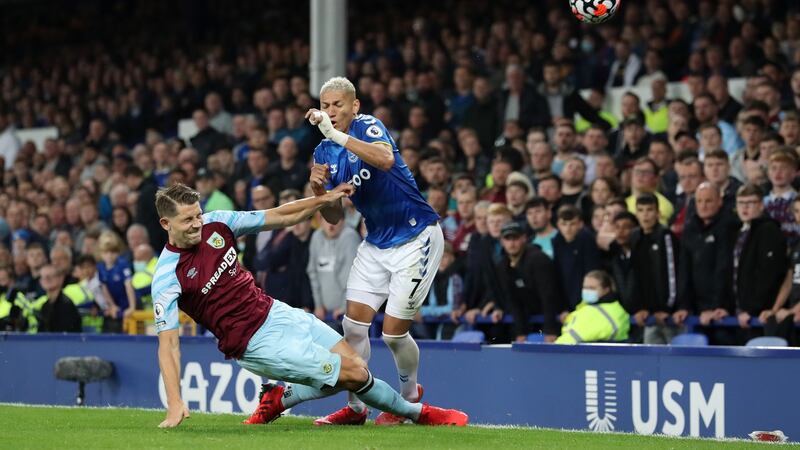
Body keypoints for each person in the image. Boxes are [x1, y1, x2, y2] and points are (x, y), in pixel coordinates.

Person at [151, 183, 466, 428]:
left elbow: (281, 215)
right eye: (187, 220)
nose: (197, 224)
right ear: (166, 223)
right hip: (252, 342)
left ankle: (279, 398)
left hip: (275, 311)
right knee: (355, 375)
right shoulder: (166, 277)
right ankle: (418, 413)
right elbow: (169, 346)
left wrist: (324, 199)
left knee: (354, 365)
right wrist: (175, 401)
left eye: (198, 215)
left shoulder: (217, 223)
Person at [306, 77, 445, 425]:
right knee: (352, 328)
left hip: (417, 237)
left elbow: (384, 159)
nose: (331, 111)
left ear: (355, 106)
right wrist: (320, 190)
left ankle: (409, 399)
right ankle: (356, 408)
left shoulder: (369, 127)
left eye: (338, 104)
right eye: (325, 105)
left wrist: (336, 134)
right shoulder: (323, 153)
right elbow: (335, 218)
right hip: (376, 243)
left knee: (393, 334)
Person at [555, 270, 630, 344]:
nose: (587, 291)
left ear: (606, 290)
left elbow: (570, 338)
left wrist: (552, 349)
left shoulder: (596, 312)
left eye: (592, 288)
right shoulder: (612, 307)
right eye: (585, 287)